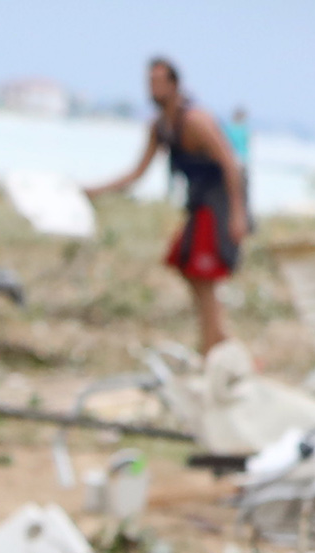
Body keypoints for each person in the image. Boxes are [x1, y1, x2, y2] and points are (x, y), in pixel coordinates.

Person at [87, 55, 250, 353]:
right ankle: (218, 340)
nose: (152, 88)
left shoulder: (196, 120)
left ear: (174, 85)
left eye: (159, 81)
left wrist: (238, 216)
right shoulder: (161, 127)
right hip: (199, 201)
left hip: (221, 200)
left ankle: (213, 347)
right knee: (187, 266)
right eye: (149, 82)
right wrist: (92, 191)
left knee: (205, 274)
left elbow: (231, 165)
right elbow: (135, 174)